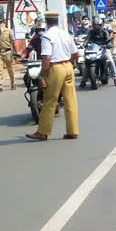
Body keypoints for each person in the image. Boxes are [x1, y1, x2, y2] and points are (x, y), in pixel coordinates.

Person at [25, 11, 79, 141]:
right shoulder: (65, 34)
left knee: (49, 100)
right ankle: (73, 131)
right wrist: (69, 63)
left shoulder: (47, 36)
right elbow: (76, 54)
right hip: (68, 67)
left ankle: (42, 132)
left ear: (47, 22)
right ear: (57, 21)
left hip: (55, 68)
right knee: (70, 100)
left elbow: (46, 59)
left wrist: (42, 76)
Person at [82, 17, 116, 86]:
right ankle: (83, 80)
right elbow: (87, 39)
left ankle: (115, 78)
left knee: (110, 60)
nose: (97, 26)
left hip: (104, 48)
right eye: (95, 25)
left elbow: (108, 39)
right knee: (87, 62)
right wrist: (84, 44)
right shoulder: (91, 31)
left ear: (101, 25)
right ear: (93, 25)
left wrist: (108, 44)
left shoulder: (104, 31)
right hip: (93, 49)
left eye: (98, 25)